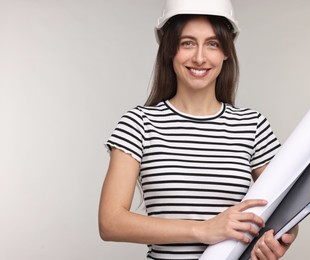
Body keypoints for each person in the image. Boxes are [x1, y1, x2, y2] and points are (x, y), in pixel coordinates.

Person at [98, 0, 298, 259]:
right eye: (187, 43)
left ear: (226, 52)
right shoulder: (139, 124)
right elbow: (110, 222)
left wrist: (281, 237)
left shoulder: (253, 125)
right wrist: (202, 230)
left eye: (213, 44)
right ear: (170, 50)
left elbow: (288, 211)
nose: (200, 57)